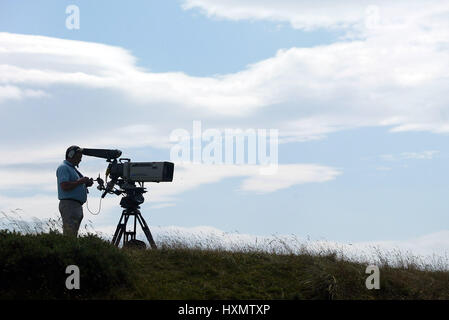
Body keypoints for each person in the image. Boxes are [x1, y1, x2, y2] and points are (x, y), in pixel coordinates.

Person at [56, 145, 93, 236]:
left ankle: (70, 248)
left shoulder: (72, 169)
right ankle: (69, 249)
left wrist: (86, 183)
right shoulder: (64, 168)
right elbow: (64, 186)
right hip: (69, 204)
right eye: (78, 157)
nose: (80, 160)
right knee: (69, 233)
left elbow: (74, 184)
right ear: (71, 155)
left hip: (75, 205)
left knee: (72, 233)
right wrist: (80, 181)